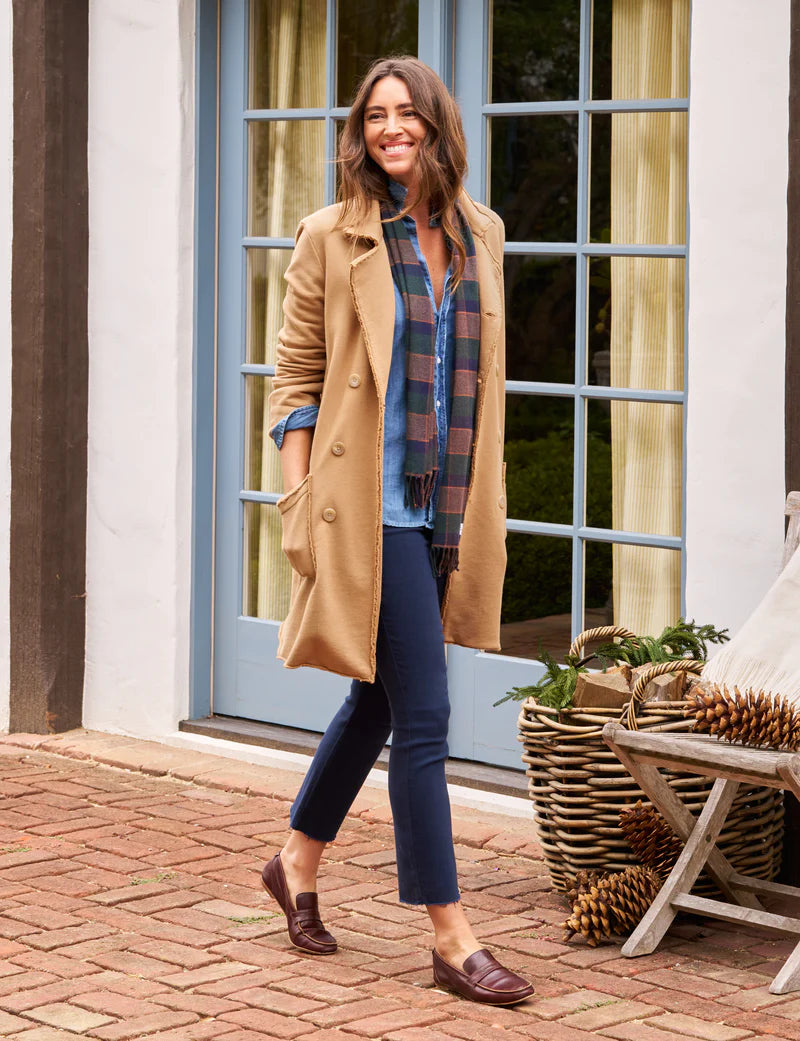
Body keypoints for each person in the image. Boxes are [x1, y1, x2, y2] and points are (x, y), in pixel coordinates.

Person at [263, 56, 533, 1007]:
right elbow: (293, 380)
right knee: (424, 718)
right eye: (374, 116)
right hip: (364, 507)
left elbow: (482, 375)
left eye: (405, 112)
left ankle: (296, 859)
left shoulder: (482, 235)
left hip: (445, 505)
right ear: (361, 133)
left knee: (377, 703)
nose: (390, 129)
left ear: (434, 124)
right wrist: (296, 504)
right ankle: (451, 936)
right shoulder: (332, 237)